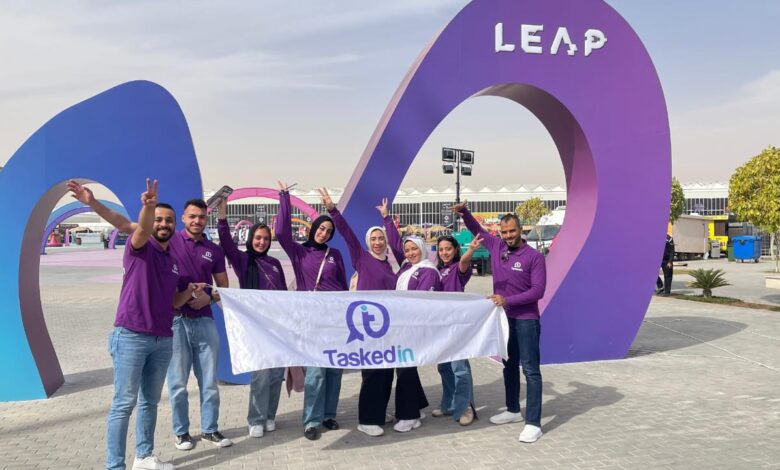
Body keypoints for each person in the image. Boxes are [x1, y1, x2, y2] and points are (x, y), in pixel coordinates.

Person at [66, 182, 232, 450]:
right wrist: (94, 203)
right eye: (192, 216)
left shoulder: (213, 250)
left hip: (201, 321)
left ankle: (210, 430)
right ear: (183, 219)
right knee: (175, 385)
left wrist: (208, 297)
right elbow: (126, 225)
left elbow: (223, 287)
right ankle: (181, 433)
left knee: (208, 382)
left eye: (202, 217)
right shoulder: (165, 239)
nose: (197, 221)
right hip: (172, 322)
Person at [99, 179, 202, 470]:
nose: (164, 224)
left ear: (175, 225)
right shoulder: (139, 248)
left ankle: (144, 457)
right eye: (159, 219)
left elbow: (174, 302)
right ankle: (115, 465)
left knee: (150, 402)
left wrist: (189, 292)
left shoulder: (173, 261)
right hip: (131, 336)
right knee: (123, 404)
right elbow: (139, 229)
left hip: (163, 339)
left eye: (169, 220)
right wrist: (148, 206)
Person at [453, 202, 547, 444]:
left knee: (531, 370)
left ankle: (533, 423)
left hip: (526, 321)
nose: (508, 236)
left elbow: (538, 291)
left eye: (512, 231)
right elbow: (477, 230)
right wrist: (464, 213)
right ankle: (513, 410)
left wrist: (507, 300)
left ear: (520, 230)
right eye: (504, 232)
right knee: (509, 365)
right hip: (504, 320)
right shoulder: (496, 246)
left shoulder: (534, 257)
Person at [318, 188, 397, 437]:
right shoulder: (361, 258)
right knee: (372, 374)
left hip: (386, 327)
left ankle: (379, 411)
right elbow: (348, 234)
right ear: (368, 242)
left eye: (381, 238)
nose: (378, 242)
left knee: (387, 373)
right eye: (374, 239)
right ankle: (367, 419)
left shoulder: (389, 266)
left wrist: (387, 219)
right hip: (366, 326)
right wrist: (332, 210)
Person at [275, 181, 348, 441]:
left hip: (334, 319)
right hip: (311, 319)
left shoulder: (334, 254)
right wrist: (285, 198)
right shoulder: (299, 252)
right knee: (316, 371)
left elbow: (342, 285)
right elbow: (281, 232)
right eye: (321, 228)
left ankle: (329, 414)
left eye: (328, 230)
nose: (324, 233)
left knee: (334, 369)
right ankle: (312, 420)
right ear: (313, 228)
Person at [216, 197, 287, 439]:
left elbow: (283, 293)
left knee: (276, 374)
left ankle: (269, 416)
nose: (261, 242)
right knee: (261, 375)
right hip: (256, 327)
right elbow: (226, 243)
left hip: (277, 326)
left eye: (265, 238)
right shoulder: (243, 260)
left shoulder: (275, 263)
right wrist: (222, 216)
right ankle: (255, 419)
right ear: (250, 238)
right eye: (258, 237)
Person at [379, 198, 437, 433]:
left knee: (405, 369)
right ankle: (418, 407)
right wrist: (386, 218)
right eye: (408, 250)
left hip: (413, 328)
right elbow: (395, 243)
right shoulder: (407, 267)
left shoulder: (428, 271)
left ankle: (409, 415)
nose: (411, 253)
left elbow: (421, 303)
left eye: (415, 249)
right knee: (405, 368)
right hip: (401, 326)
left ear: (422, 249)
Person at [432, 233, 483, 426]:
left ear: (455, 250)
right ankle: (449, 404)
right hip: (440, 327)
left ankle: (466, 407)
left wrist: (471, 250)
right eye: (441, 249)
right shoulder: (437, 270)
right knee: (444, 367)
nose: (444, 252)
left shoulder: (457, 269)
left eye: (448, 249)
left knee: (459, 367)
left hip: (456, 325)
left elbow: (464, 262)